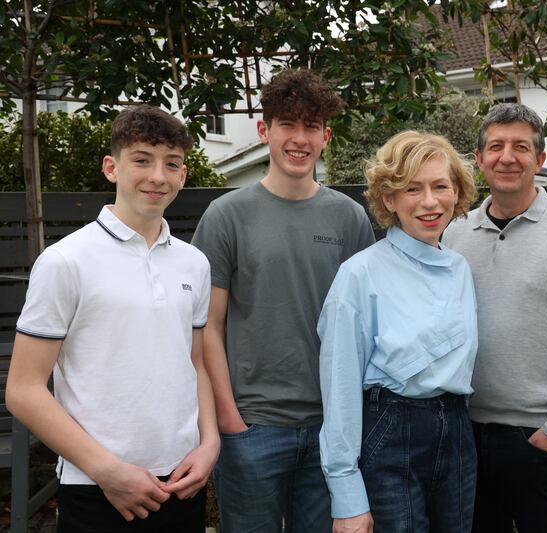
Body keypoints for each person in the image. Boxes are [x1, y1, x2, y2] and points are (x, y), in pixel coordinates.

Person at [6, 104, 218, 532]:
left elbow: (193, 362)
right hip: (97, 487)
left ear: (183, 174)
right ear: (111, 167)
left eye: (171, 164)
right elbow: (23, 389)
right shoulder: (65, 261)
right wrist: (107, 471)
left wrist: (209, 443)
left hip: (182, 480)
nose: (158, 176)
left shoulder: (194, 263)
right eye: (141, 160)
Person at [191, 69, 375, 533]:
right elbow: (206, 326)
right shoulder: (226, 216)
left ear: (325, 137)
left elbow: (363, 326)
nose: (299, 138)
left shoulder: (350, 218)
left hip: (332, 429)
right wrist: (230, 420)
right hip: (254, 426)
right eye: (287, 125)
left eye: (311, 126)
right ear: (264, 131)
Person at [442, 103, 547, 532]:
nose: (507, 157)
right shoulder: (456, 232)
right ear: (478, 159)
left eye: (521, 146)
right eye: (495, 146)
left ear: (540, 159)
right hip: (468, 434)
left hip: (542, 434)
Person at [318, 131, 479, 533]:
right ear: (389, 199)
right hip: (391, 433)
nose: (429, 202)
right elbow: (339, 387)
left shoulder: (460, 268)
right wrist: (347, 496)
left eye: (441, 186)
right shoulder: (360, 274)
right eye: (412, 188)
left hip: (458, 432)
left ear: (456, 193)